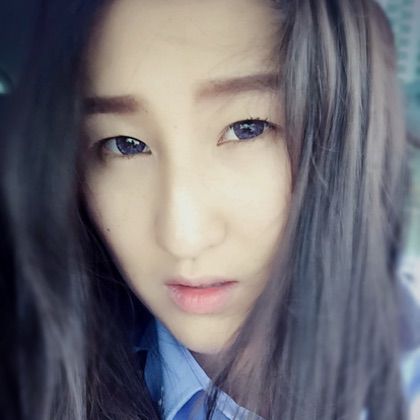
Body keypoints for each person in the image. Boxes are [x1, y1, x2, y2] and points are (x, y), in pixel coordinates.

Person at [0, 0, 418, 419]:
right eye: (125, 144)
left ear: (345, 131)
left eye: (247, 129)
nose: (183, 237)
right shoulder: (37, 376)